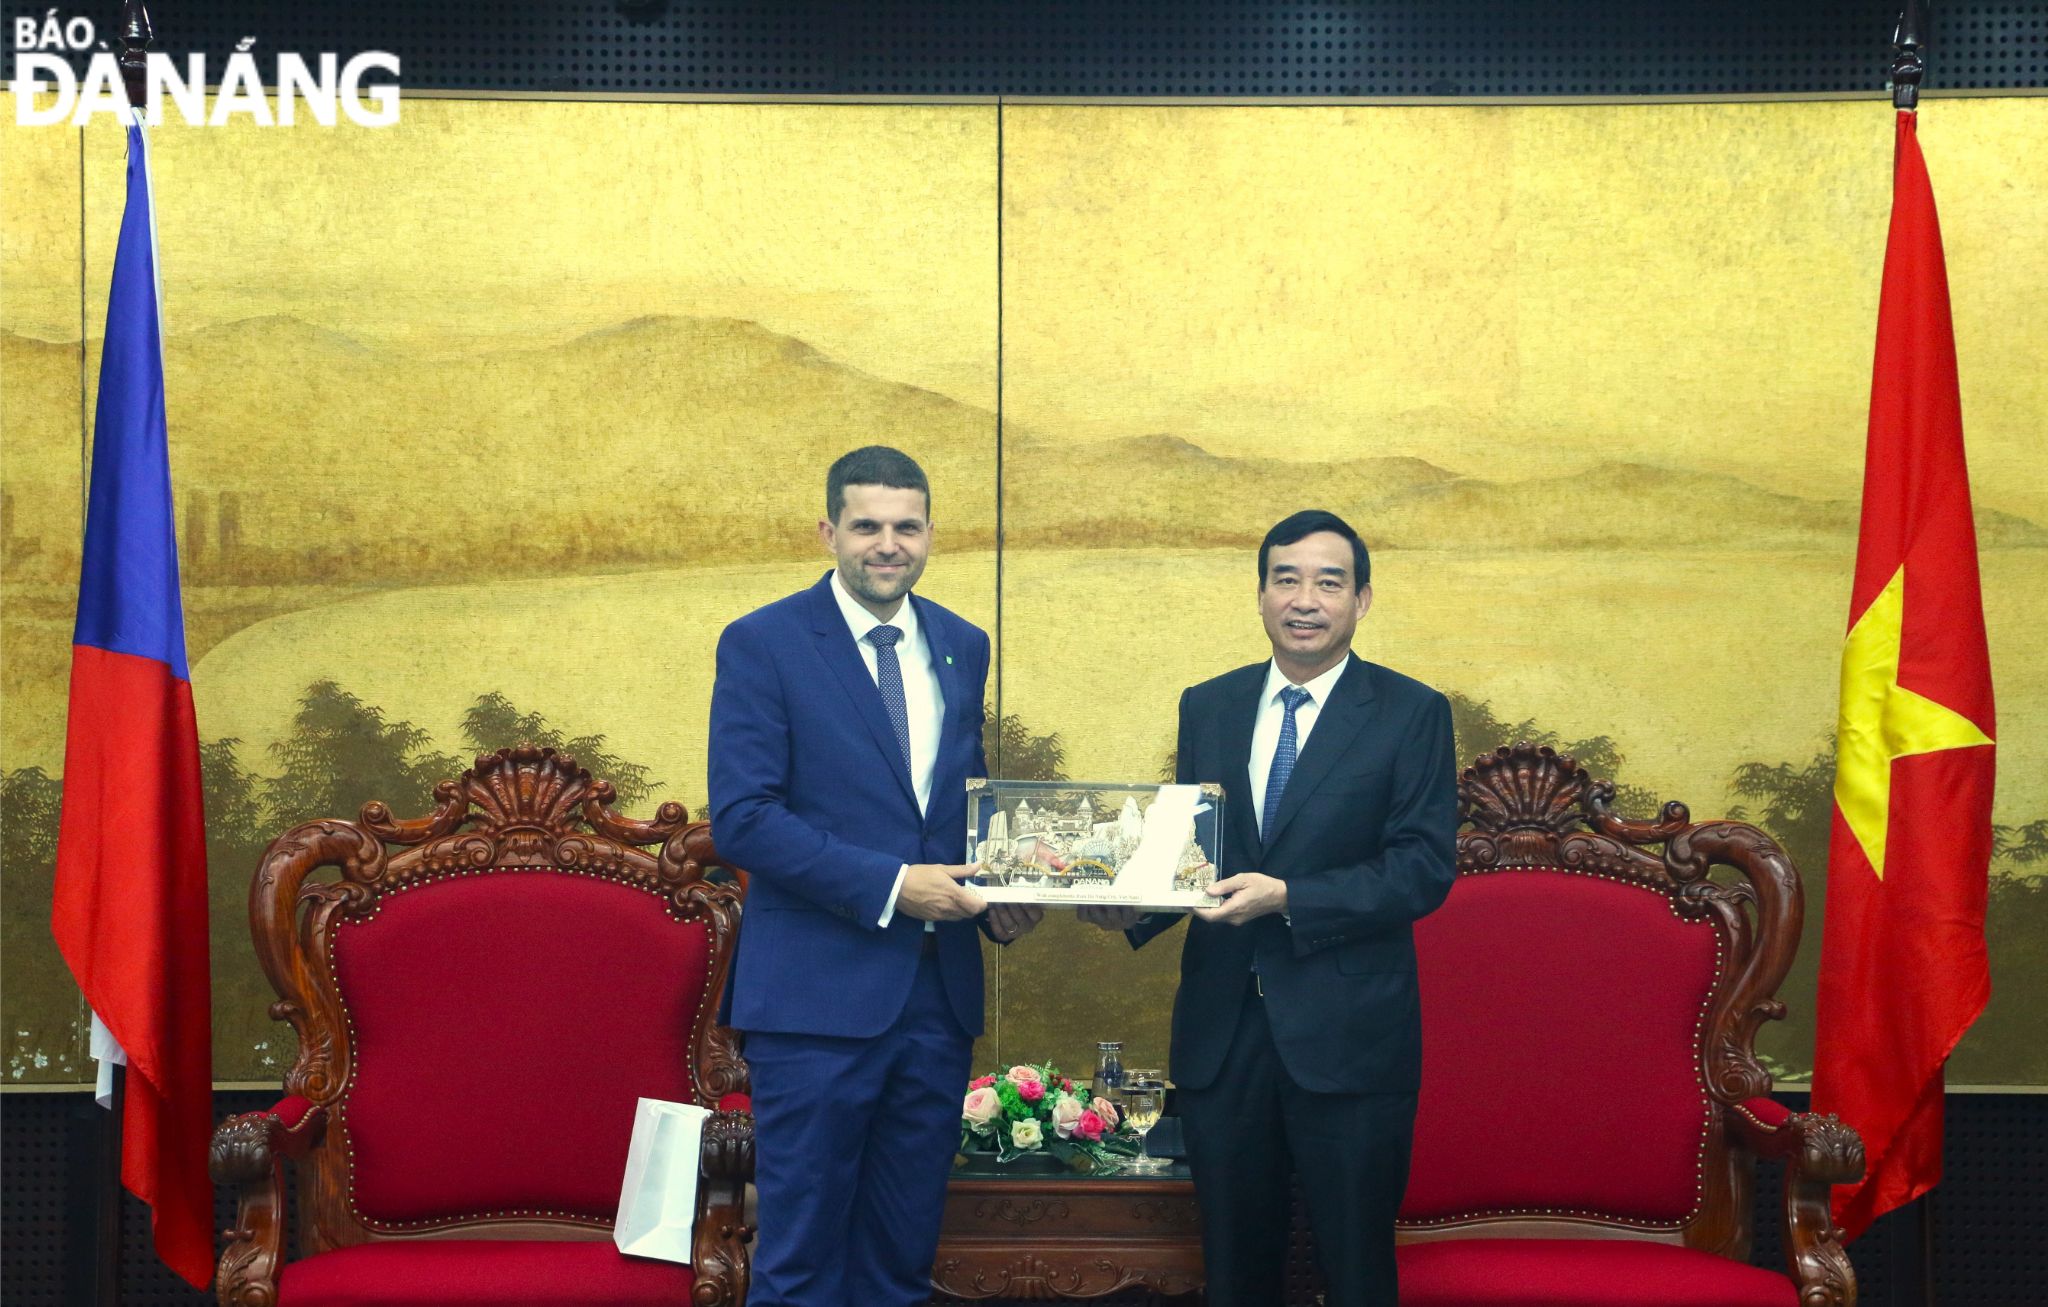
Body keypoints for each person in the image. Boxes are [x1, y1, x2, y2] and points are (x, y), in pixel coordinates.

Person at [1080, 509, 1457, 1307]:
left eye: (1329, 581)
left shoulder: (1410, 711)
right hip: (1223, 1035)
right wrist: (1133, 909)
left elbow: (1423, 868)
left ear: (1362, 600)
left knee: (1356, 1272)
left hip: (1348, 1036)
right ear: (1260, 595)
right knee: (1234, 1273)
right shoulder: (1209, 704)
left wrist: (1292, 898)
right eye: (1286, 578)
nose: (1306, 599)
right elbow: (1194, 850)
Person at [708, 446, 1042, 1307]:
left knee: (899, 1266)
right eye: (867, 526)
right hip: (814, 1005)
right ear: (829, 532)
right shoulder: (762, 643)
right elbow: (744, 817)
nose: (887, 544)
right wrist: (898, 885)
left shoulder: (963, 644)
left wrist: (1001, 886)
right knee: (800, 1265)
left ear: (930, 533)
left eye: (906, 526)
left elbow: (952, 808)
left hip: (936, 1003)